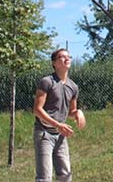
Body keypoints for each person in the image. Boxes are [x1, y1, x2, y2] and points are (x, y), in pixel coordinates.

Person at [33, 48, 86, 182]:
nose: (66, 59)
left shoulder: (73, 87)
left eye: (68, 57)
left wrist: (78, 113)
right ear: (54, 63)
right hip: (44, 133)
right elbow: (37, 110)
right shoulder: (47, 81)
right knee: (44, 177)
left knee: (65, 175)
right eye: (62, 57)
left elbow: (70, 113)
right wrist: (57, 125)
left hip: (60, 136)